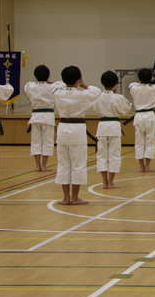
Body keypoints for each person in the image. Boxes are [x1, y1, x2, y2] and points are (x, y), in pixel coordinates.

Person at [54, 66, 102, 205]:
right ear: (78, 79)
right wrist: (82, 84)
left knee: (63, 163)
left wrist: (68, 82)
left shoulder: (58, 93)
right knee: (78, 164)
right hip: (77, 130)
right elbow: (96, 91)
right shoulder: (82, 95)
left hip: (62, 129)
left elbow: (57, 85)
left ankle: (65, 198)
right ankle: (75, 197)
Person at [94, 71, 132, 190]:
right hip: (114, 126)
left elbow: (95, 109)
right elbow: (127, 108)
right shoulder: (119, 97)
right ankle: (111, 182)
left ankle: (104, 181)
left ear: (101, 83)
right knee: (114, 154)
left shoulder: (98, 97)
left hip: (102, 126)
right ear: (115, 84)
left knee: (102, 154)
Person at [24, 65, 65, 173]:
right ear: (49, 76)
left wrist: (41, 81)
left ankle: (37, 166)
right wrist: (48, 81)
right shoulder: (53, 87)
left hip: (36, 116)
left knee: (36, 141)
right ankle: (44, 165)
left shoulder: (31, 86)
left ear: (35, 77)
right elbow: (62, 84)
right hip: (48, 117)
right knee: (47, 141)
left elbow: (28, 84)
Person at [128, 68, 155, 172]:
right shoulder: (154, 89)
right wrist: (151, 84)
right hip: (149, 116)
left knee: (139, 141)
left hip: (139, 117)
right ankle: (147, 166)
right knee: (150, 141)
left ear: (138, 79)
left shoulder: (135, 88)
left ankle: (141, 166)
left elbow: (131, 85)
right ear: (151, 79)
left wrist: (142, 83)